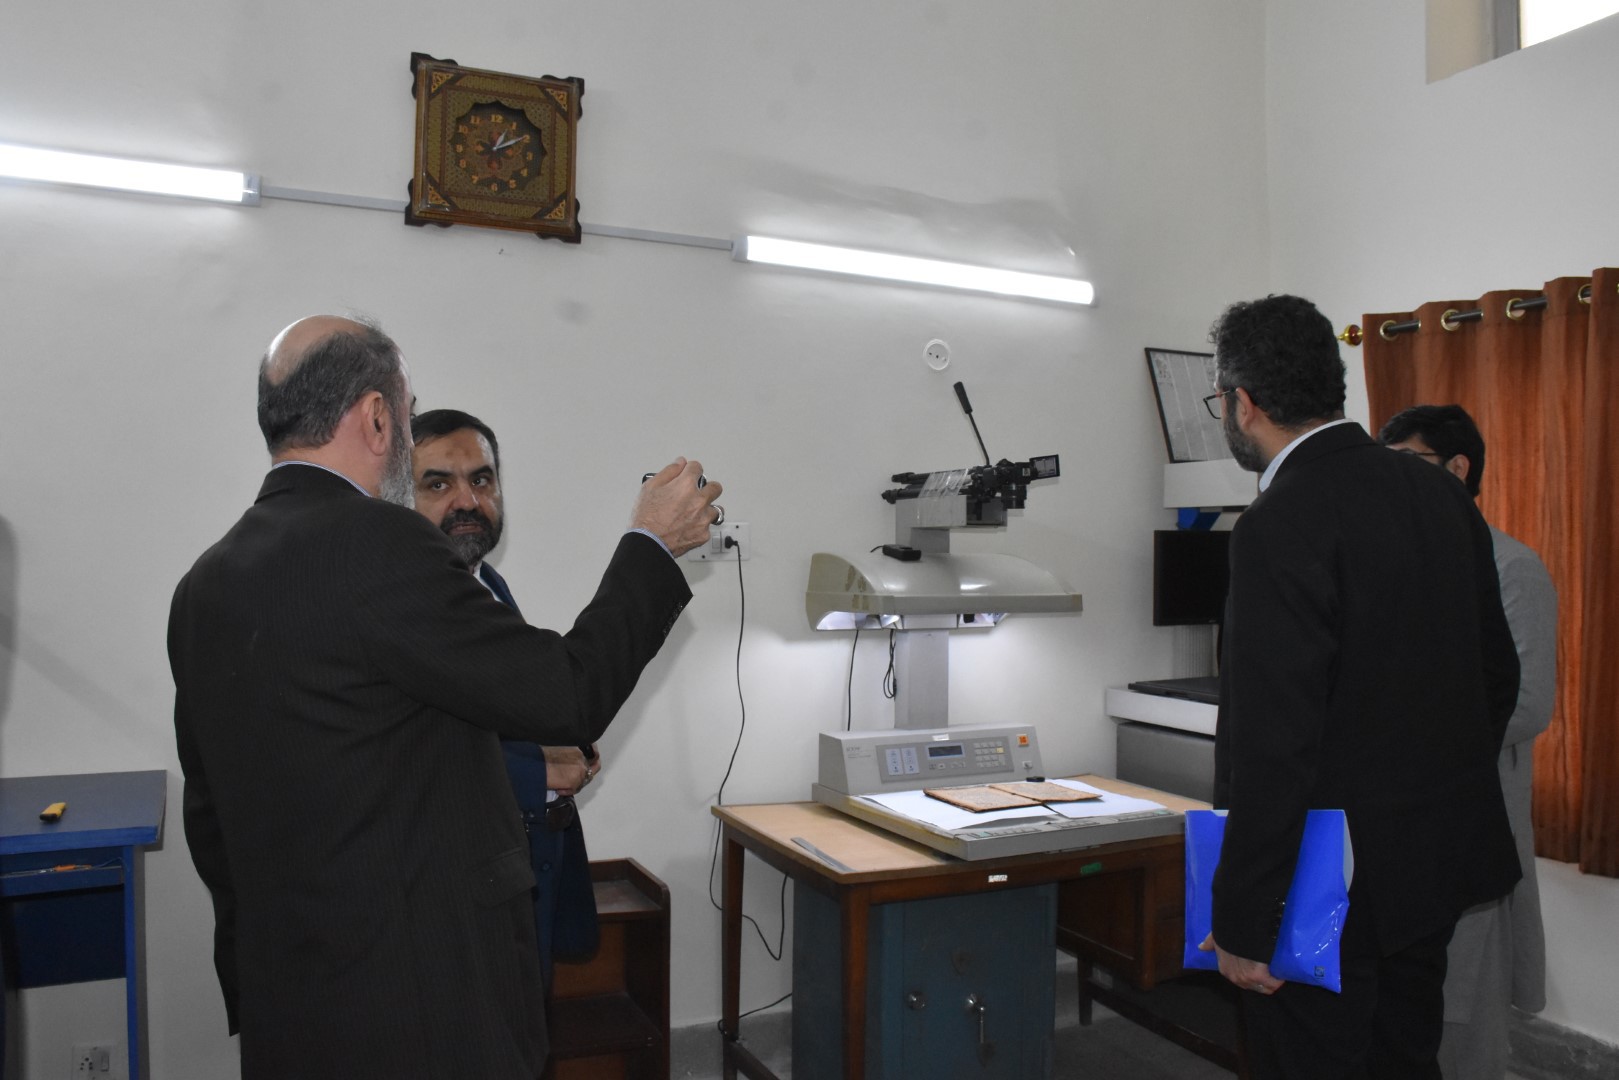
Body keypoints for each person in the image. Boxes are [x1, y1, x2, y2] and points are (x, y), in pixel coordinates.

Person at [168, 315, 721, 1079]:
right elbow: (567, 694)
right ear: (376, 416)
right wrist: (651, 545)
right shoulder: (380, 542)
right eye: (407, 409)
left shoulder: (204, 582)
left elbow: (209, 813)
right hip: (417, 1004)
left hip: (290, 993)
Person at [1201, 295, 1521, 1079]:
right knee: (1403, 1057)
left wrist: (1242, 920)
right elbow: (1494, 673)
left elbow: (1272, 743)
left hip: (1322, 885)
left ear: (1243, 403)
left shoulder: (1276, 522)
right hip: (1429, 867)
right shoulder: (1438, 494)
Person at [1378, 404, 1557, 1080]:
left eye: (1409, 464)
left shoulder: (1512, 566)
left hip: (1470, 810)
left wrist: (1414, 742)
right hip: (1400, 817)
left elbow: (1527, 703)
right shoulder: (1397, 558)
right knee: (1407, 1013)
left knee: (1465, 1014)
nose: (1392, 481)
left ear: (1457, 469)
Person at [409, 408, 603, 987]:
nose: (467, 501)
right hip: (452, 897)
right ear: (397, 498)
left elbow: (490, 710)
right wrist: (538, 769)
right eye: (437, 484)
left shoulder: (488, 583)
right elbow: (411, 752)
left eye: (482, 479)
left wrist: (557, 740)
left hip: (525, 868)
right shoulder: (403, 608)